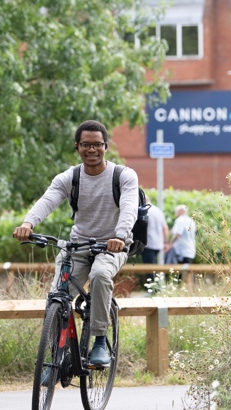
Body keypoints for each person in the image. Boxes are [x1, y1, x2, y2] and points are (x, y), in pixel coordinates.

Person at [13, 120, 138, 366]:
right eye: (86, 145)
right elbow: (48, 200)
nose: (92, 150)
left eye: (97, 145)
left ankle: (100, 339)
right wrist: (28, 224)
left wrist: (120, 236)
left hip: (113, 245)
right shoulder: (70, 177)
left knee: (101, 275)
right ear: (77, 147)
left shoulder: (123, 176)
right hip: (78, 245)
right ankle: (56, 357)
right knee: (56, 298)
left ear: (106, 146)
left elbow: (129, 207)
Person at [141, 197, 169, 284]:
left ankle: (153, 288)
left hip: (148, 243)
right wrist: (165, 242)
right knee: (153, 266)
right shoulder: (158, 211)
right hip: (158, 243)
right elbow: (164, 227)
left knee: (149, 267)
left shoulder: (144, 210)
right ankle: (156, 287)